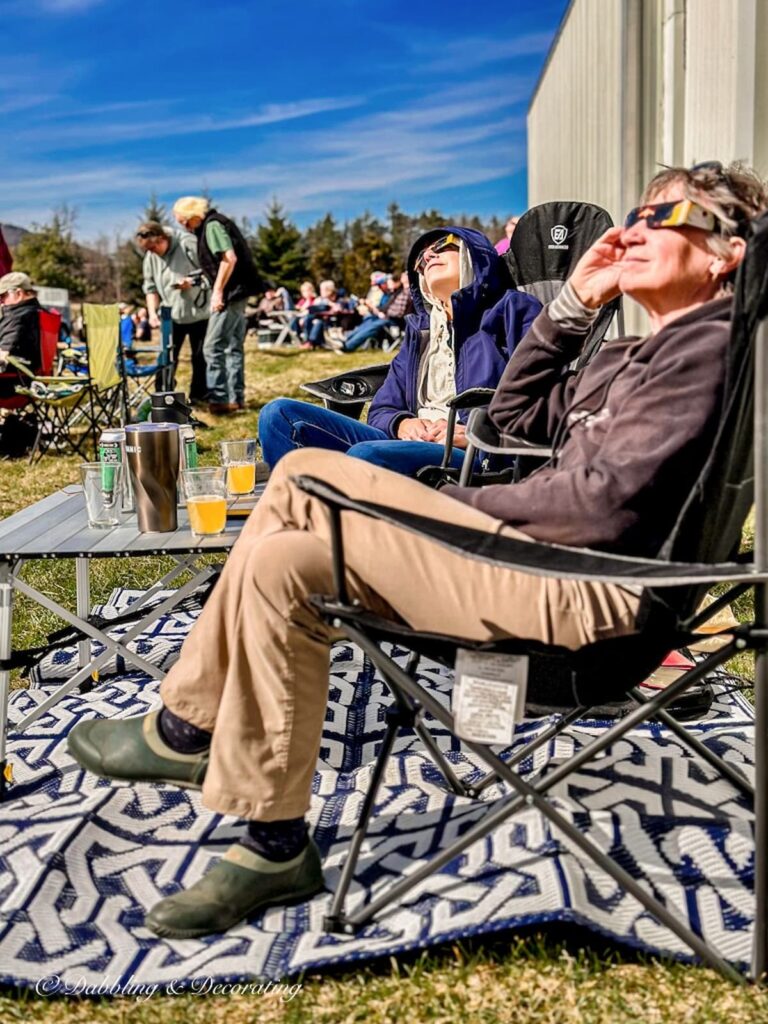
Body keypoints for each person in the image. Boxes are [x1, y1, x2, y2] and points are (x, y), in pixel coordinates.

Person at [67, 163, 767, 939]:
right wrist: (573, 306)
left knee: (306, 478)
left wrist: (443, 510)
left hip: (588, 595)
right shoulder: (629, 354)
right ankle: (272, 840)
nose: (628, 230)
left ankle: (187, 730)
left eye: (659, 215)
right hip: (541, 565)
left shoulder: (706, 353)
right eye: (629, 214)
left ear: (724, 250)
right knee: (281, 558)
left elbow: (595, 508)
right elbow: (511, 420)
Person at [259, 226, 542, 477]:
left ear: (475, 255)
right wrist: (402, 423)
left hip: (473, 453)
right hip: (407, 442)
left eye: (443, 245)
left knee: (366, 455)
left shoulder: (512, 310)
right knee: (279, 414)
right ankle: (300, 513)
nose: (428, 257)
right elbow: (382, 408)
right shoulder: (421, 331)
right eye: (421, 259)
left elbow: (542, 391)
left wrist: (478, 431)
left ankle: (342, 522)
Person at [172, 196, 266, 415]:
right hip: (240, 291)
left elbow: (228, 259)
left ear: (194, 216)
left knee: (212, 346)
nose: (184, 227)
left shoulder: (212, 225)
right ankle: (236, 398)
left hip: (230, 294)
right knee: (233, 346)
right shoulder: (217, 223)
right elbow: (217, 265)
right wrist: (193, 281)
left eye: (184, 222)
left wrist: (217, 292)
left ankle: (219, 399)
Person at [136, 220, 210, 405]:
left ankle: (199, 396)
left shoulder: (188, 243)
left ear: (162, 239)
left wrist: (190, 283)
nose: (152, 252)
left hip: (199, 312)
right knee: (166, 357)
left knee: (200, 357)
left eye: (153, 248)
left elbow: (210, 271)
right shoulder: (151, 256)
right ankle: (163, 395)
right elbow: (150, 288)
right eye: (148, 250)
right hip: (171, 316)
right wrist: (152, 313)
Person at [332, 271, 413, 352]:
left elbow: (399, 313)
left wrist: (384, 313)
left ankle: (348, 346)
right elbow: (389, 308)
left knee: (373, 326)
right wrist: (379, 311)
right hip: (389, 318)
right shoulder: (400, 291)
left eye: (404, 275)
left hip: (396, 321)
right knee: (369, 321)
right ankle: (346, 340)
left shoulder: (407, 292)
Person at [0, 271, 42, 398]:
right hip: (31, 380)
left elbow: (4, 354)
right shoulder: (40, 313)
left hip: (11, 384)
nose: (1, 300)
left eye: (3, 295)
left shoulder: (18, 317)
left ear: (18, 293)